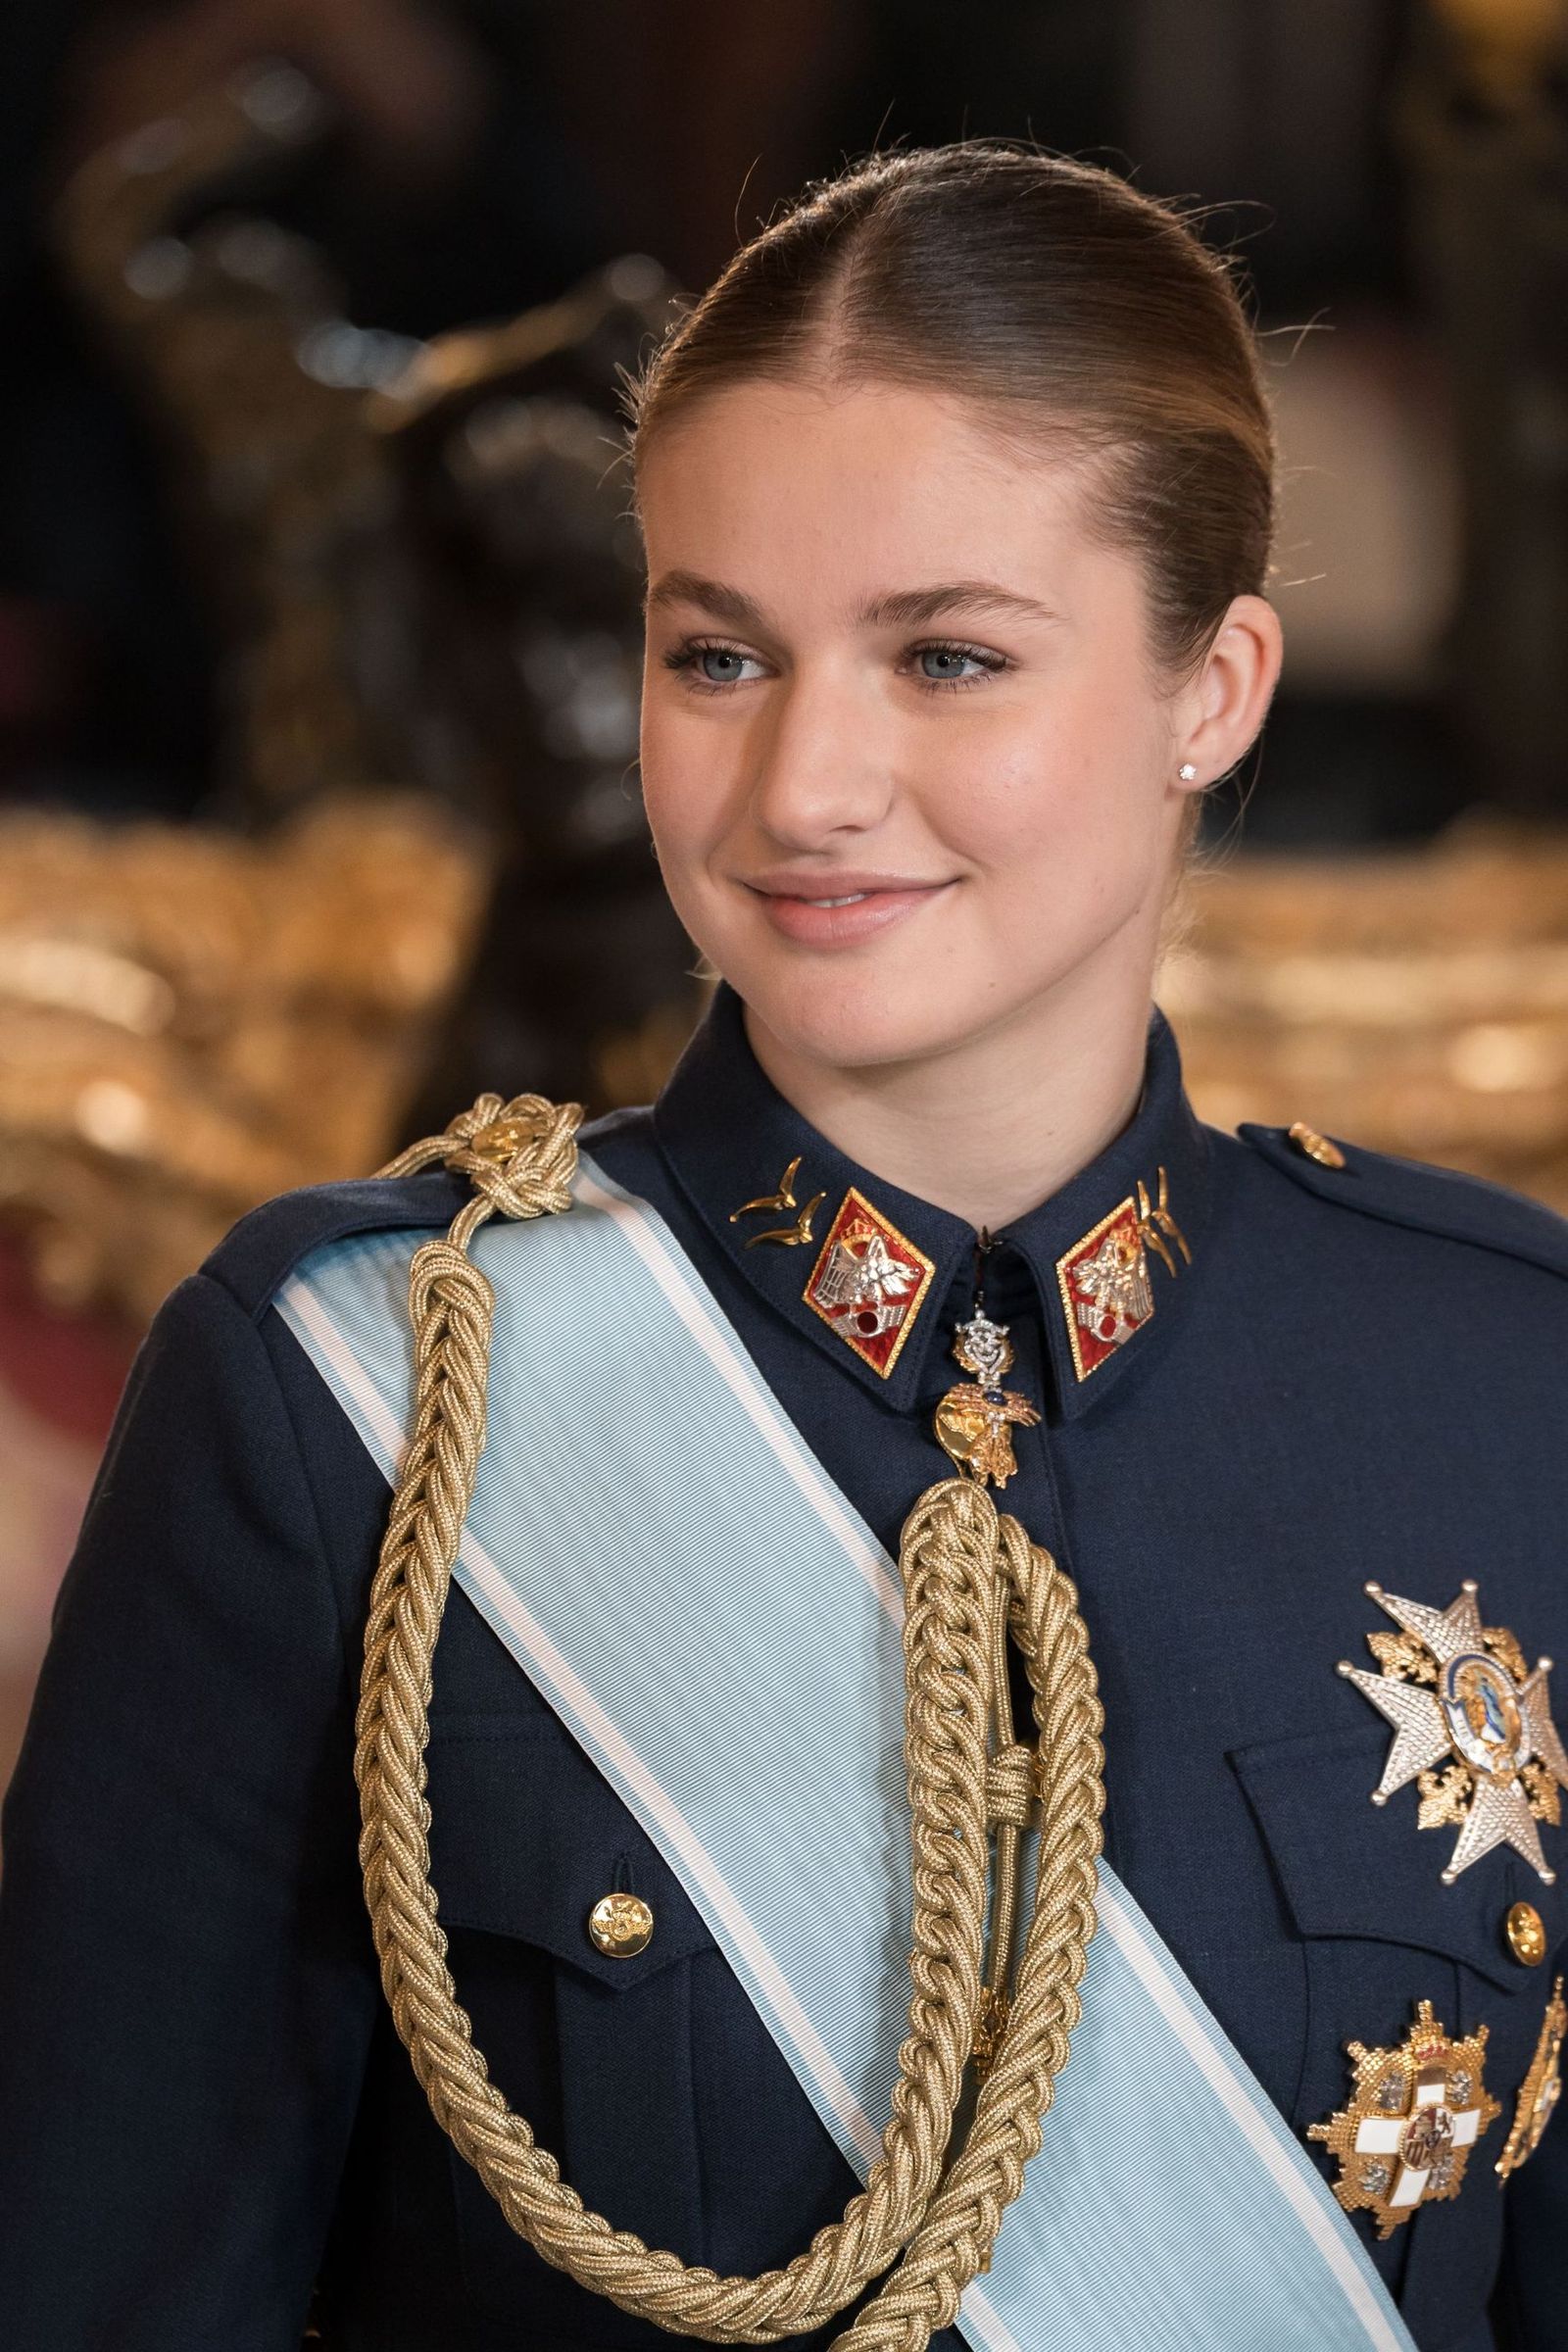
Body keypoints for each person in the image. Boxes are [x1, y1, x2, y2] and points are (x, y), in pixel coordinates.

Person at [1, 140, 1564, 2352]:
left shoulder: (1507, 1381)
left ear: (1210, 691)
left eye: (942, 657)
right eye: (716, 654)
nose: (803, 783)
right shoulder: (351, 1389)